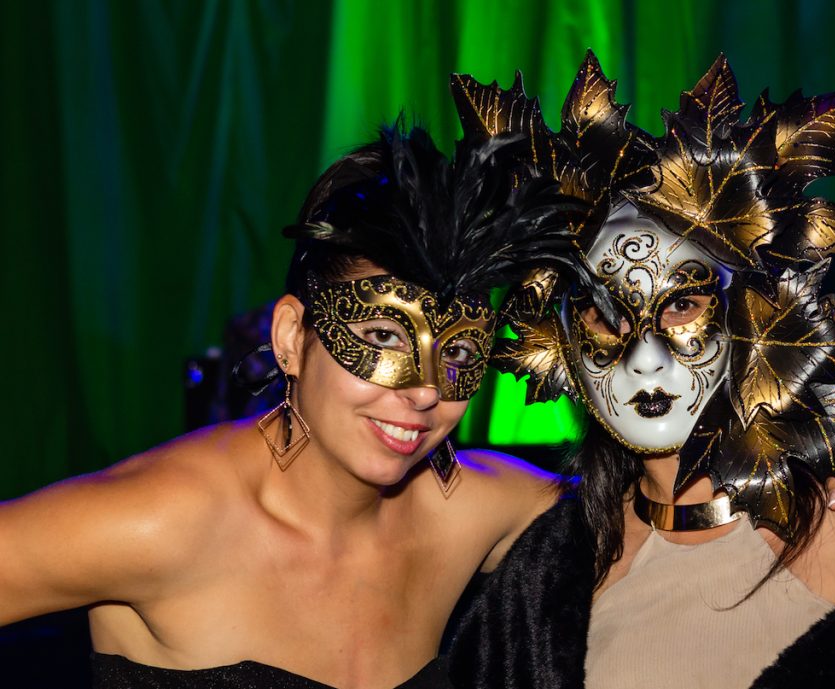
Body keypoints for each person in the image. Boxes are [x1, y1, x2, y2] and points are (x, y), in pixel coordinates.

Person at [445, 53, 835, 688]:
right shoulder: (551, 557)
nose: (645, 356)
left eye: (682, 305)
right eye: (606, 316)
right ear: (562, 342)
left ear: (753, 316)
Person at [0, 125, 588, 689]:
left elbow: (630, 526)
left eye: (457, 350)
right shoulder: (166, 521)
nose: (425, 392)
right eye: (383, 336)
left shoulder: (470, 513)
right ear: (289, 338)